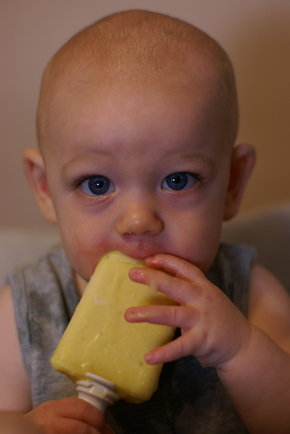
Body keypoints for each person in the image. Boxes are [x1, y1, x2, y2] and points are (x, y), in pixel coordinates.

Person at [0, 9, 290, 434]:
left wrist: (240, 350)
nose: (138, 221)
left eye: (178, 180)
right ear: (45, 188)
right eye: (97, 185)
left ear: (231, 184)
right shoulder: (25, 312)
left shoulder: (252, 296)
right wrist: (24, 428)